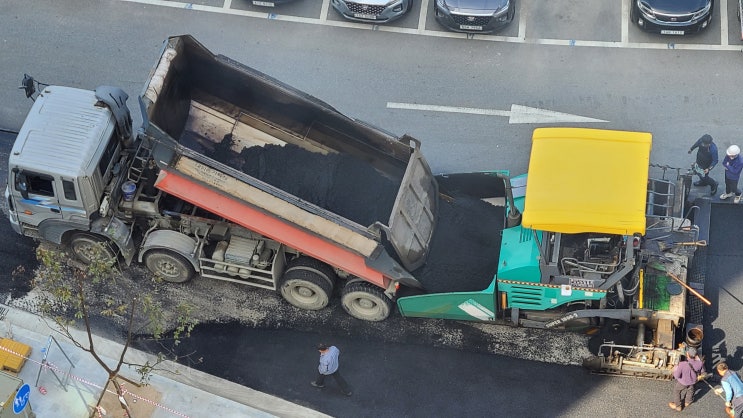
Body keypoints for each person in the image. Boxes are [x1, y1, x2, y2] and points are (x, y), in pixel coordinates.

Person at [669, 347, 705, 412]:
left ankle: (678, 406)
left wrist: (674, 369)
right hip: (693, 381)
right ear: (696, 355)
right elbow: (703, 372)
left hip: (682, 382)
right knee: (690, 390)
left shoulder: (682, 364)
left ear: (687, 355)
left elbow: (676, 376)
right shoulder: (700, 363)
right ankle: (688, 402)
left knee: (677, 391)